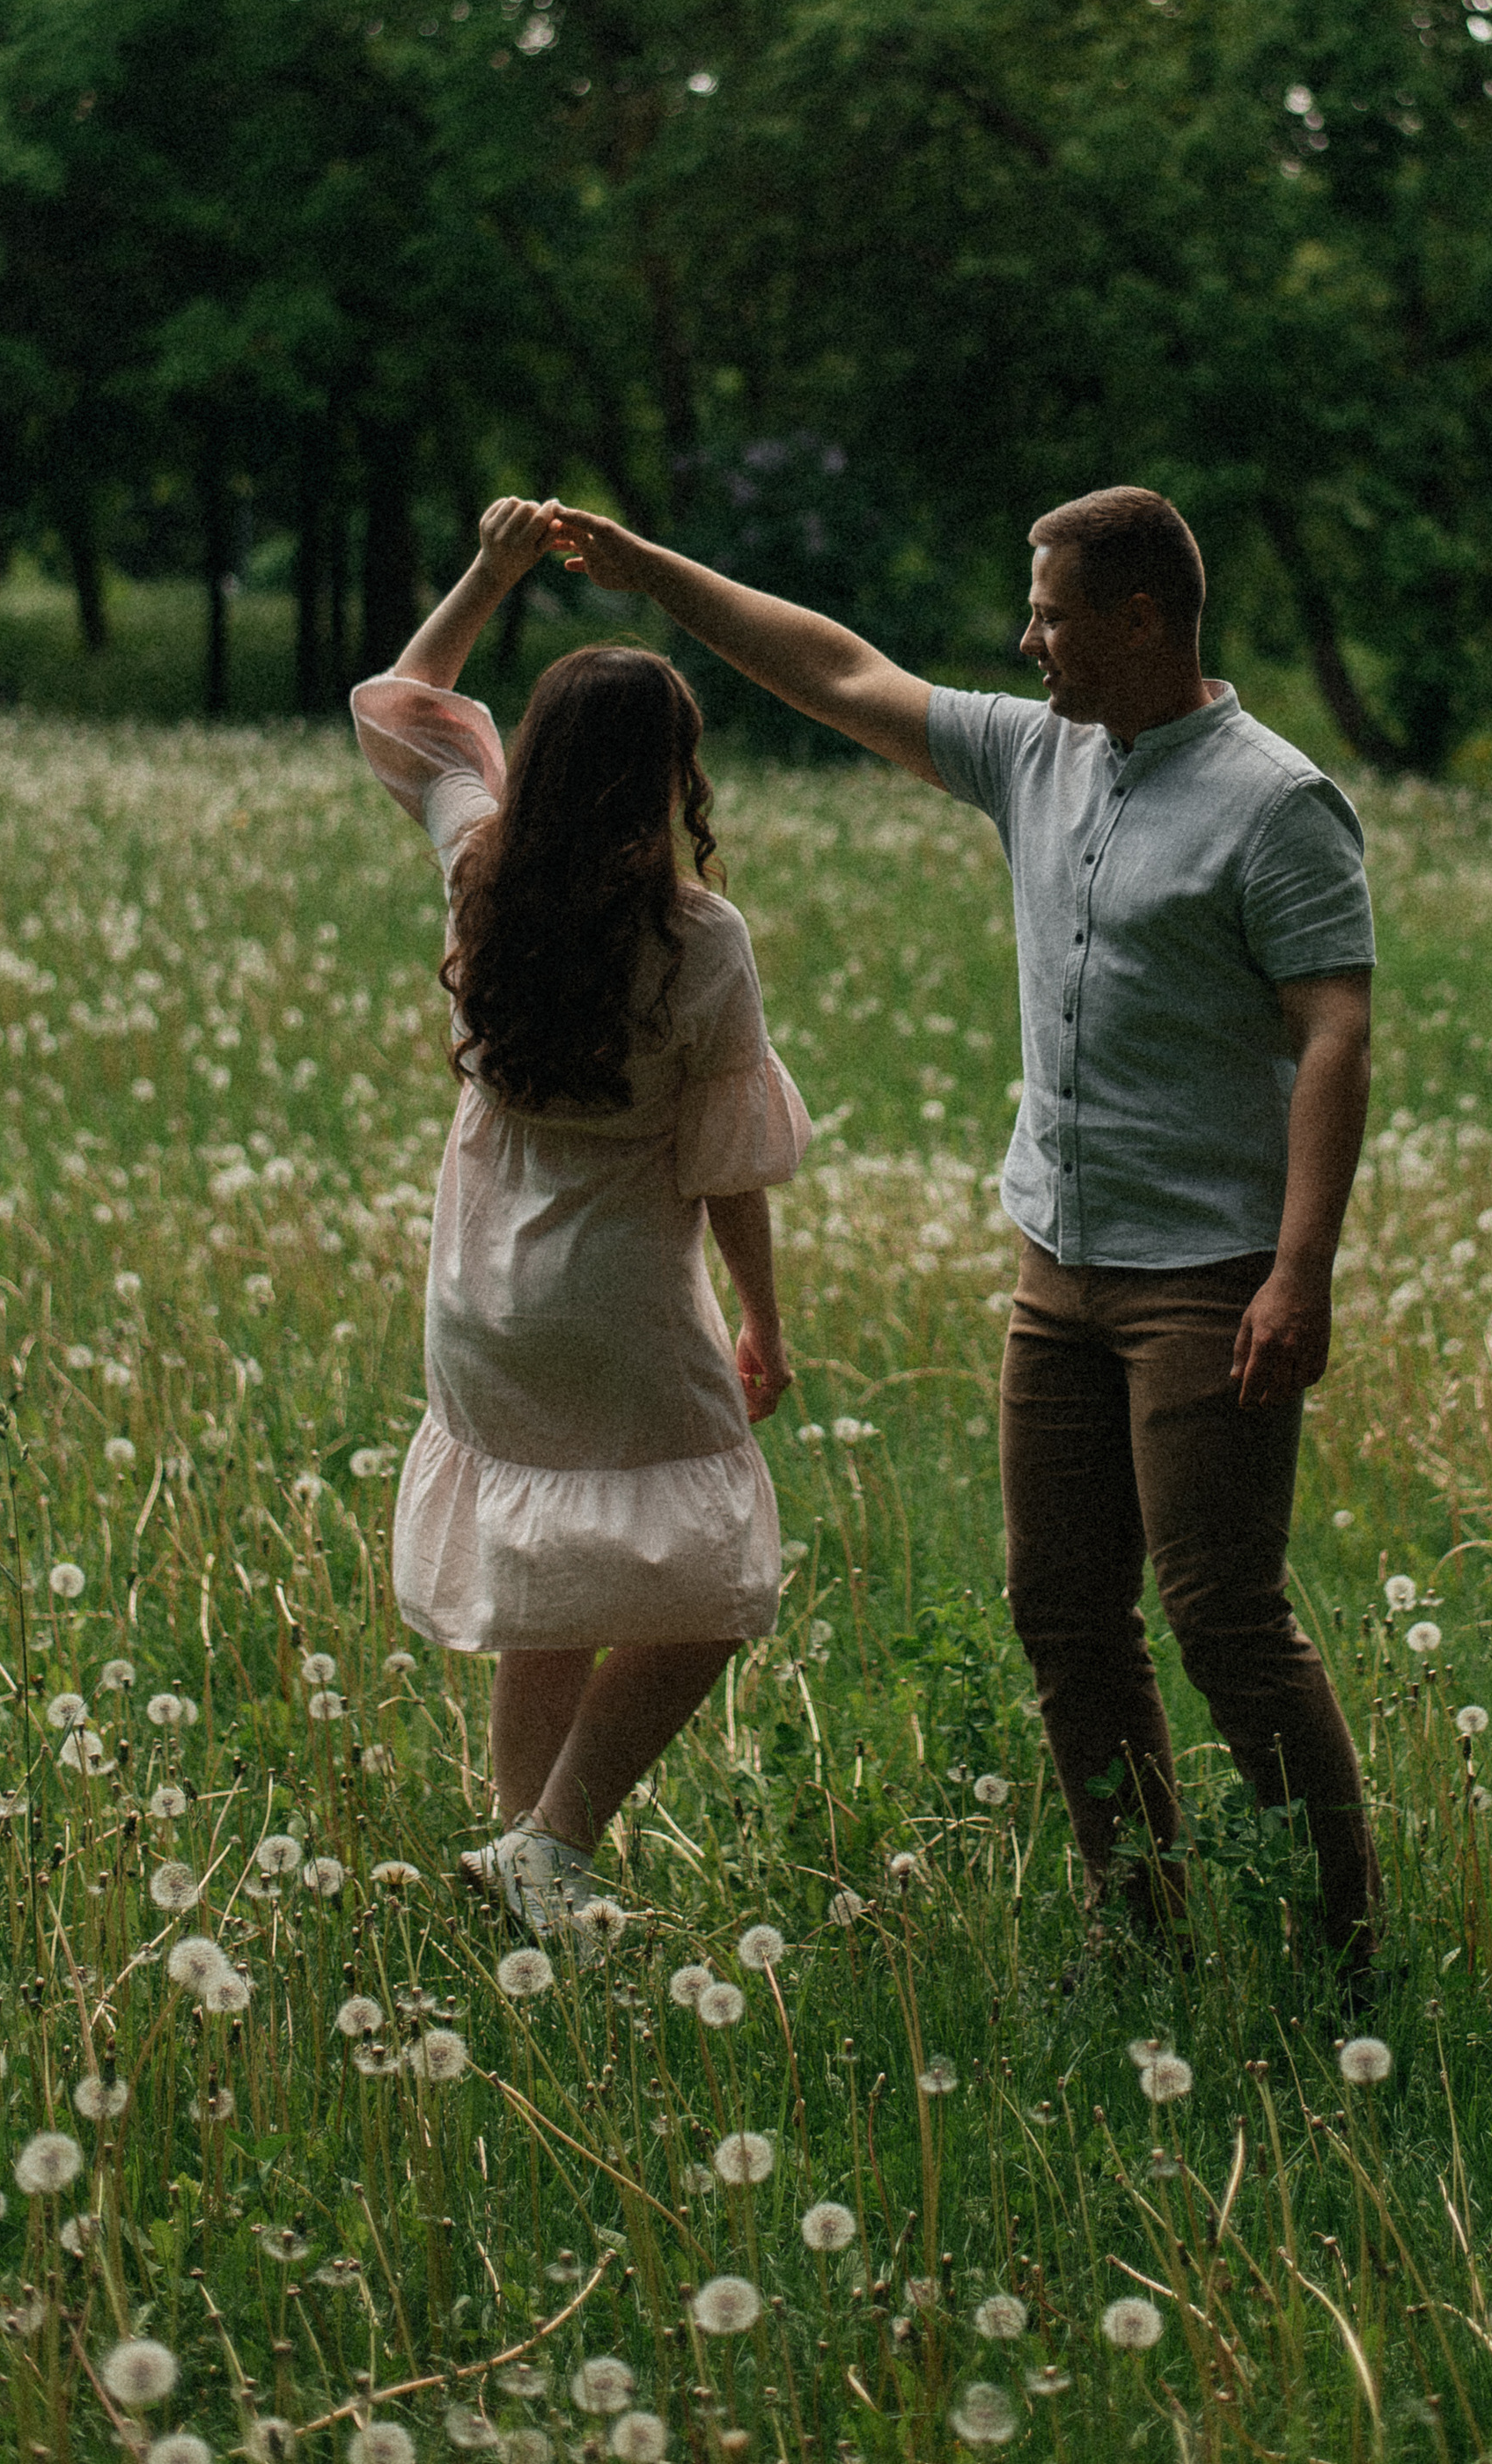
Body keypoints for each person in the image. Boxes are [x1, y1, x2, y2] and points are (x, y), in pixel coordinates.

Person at [550, 483, 1382, 1972]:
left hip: (1207, 1278)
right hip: (1054, 1270)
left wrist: (1298, 1274)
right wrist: (640, 566)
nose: (1028, 639)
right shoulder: (1037, 755)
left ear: (1139, 621)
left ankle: (1339, 1943)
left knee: (1222, 1616)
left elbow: (1335, 1032)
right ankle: (1144, 1929)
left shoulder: (1277, 801)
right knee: (1063, 1610)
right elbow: (838, 670)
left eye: (1052, 613)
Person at [350, 496, 811, 1940]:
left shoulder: (478, 864)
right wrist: (765, 1315)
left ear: (536, 761)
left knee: (542, 1564)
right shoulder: (698, 936)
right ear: (669, 776)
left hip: (477, 1283)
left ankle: (521, 1873)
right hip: (613, 1286)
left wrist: (488, 567)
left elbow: (409, 706)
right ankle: (554, 1842)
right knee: (718, 1577)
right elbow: (726, 1157)